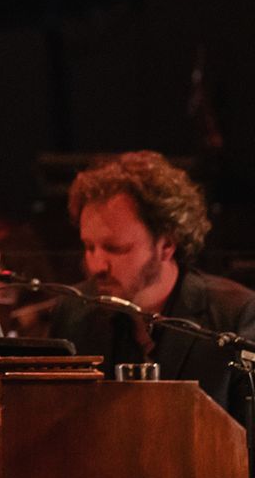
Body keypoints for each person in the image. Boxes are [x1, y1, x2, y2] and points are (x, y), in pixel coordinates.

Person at [48, 151, 255, 419]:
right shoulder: (72, 313)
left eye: (115, 248)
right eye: (89, 247)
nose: (96, 265)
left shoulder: (236, 314)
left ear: (166, 244)